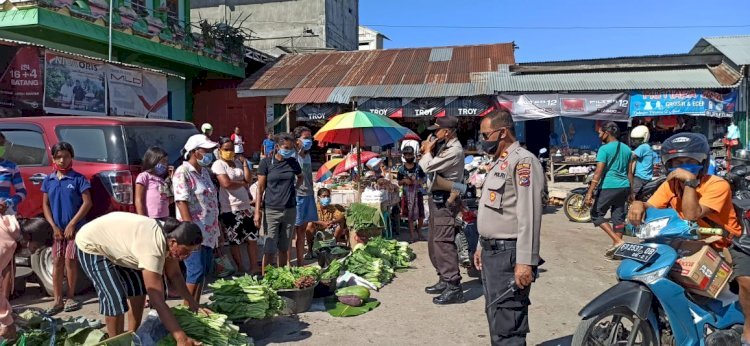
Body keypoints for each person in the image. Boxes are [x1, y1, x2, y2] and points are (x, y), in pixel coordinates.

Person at [626, 133, 748, 342]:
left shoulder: (717, 185)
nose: (682, 167)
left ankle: (748, 330)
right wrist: (639, 204)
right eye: (677, 162)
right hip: (688, 241)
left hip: (725, 244)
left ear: (702, 162)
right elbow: (652, 205)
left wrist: (690, 184)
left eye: (688, 161)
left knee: (746, 281)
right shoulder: (670, 185)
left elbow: (692, 214)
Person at [76, 213, 208, 344]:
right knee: (115, 298)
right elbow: (157, 300)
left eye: (192, 252)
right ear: (173, 243)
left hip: (123, 245)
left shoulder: (170, 236)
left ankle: (132, 336)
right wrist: (181, 337)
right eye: (186, 251)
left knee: (138, 290)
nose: (188, 255)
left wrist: (193, 303)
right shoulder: (152, 249)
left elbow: (175, 275)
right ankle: (115, 342)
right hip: (92, 244)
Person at [473, 110, 544, 345]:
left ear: (502, 132)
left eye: (486, 135)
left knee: (508, 322)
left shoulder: (523, 161)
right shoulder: (500, 161)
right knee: (495, 315)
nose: (483, 140)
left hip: (509, 255)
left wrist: (526, 261)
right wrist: (481, 245)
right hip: (493, 252)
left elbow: (529, 215)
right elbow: (495, 211)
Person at [419, 115, 465, 305]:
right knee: (434, 242)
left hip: (447, 199)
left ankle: (454, 286)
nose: (433, 134)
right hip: (437, 198)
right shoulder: (445, 146)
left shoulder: (454, 150)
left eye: (436, 130)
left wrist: (427, 151)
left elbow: (428, 167)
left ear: (447, 132)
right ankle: (443, 279)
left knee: (443, 243)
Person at [41, 142, 92, 315]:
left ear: (72, 157)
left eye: (66, 156)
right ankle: (57, 299)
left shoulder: (78, 179)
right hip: (57, 230)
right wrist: (54, 226)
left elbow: (87, 203)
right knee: (57, 261)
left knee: (70, 261)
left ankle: (70, 296)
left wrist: (72, 224)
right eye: (59, 157)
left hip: (75, 229)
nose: (62, 160)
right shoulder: (49, 180)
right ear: (53, 158)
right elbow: (45, 205)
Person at [172, 134, 220, 306]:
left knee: (203, 272)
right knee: (195, 270)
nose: (210, 154)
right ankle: (188, 310)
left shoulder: (205, 172)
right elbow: (181, 201)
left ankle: (195, 306)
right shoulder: (183, 172)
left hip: (208, 231)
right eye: (206, 150)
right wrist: (189, 231)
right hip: (194, 232)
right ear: (194, 152)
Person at [254, 133, 302, 274]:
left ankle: (281, 277)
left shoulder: (293, 162)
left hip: (289, 210)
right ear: (277, 147)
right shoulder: (266, 163)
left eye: (291, 148)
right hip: (271, 210)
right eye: (285, 147)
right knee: (269, 248)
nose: (288, 150)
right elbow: (260, 188)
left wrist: (294, 189)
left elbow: (301, 177)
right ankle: (266, 278)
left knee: (284, 248)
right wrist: (257, 211)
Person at [584, 122, 632, 259]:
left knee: (595, 214)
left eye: (600, 133)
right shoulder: (627, 149)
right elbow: (630, 172)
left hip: (609, 186)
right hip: (624, 186)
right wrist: (631, 192)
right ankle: (618, 252)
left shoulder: (604, 149)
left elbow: (598, 172)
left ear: (607, 133)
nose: (599, 135)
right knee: (618, 217)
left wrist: (589, 192)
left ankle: (618, 241)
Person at [212, 137, 259, 275]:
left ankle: (253, 266)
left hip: (245, 206)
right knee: (235, 240)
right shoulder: (219, 164)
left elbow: (249, 179)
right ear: (220, 150)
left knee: (252, 238)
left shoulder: (237, 162)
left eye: (231, 149)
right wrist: (243, 183)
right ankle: (241, 268)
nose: (229, 152)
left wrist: (245, 164)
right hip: (230, 208)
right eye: (226, 149)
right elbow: (226, 184)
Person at [0, 216, 51, 341]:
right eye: (36, 247)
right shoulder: (5, 245)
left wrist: (8, 312)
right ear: (28, 238)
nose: (34, 252)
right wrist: (6, 320)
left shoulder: (6, 226)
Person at [293, 126, 318, 263]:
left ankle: (301, 261)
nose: (309, 141)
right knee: (296, 230)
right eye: (306, 138)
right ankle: (297, 261)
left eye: (310, 138)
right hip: (297, 195)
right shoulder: (293, 156)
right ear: (297, 140)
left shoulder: (307, 156)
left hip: (308, 194)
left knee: (304, 228)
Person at [398, 146, 426, 242]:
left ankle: (419, 231)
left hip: (418, 194)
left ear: (413, 155)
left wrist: (418, 181)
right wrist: (404, 180)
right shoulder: (401, 169)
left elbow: (424, 178)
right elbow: (399, 182)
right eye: (407, 155)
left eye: (411, 154)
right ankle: (412, 235)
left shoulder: (418, 167)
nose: (409, 156)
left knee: (421, 215)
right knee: (410, 216)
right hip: (407, 195)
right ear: (404, 156)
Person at [135, 146, 172, 219]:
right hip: (150, 218)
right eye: (163, 161)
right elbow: (138, 199)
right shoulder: (144, 176)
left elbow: (169, 201)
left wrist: (172, 180)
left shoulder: (162, 180)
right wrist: (142, 219)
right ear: (153, 160)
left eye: (166, 162)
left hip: (164, 217)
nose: (165, 165)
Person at [306, 188, 347, 252]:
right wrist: (322, 223)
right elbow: (308, 217)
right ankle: (309, 250)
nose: (326, 198)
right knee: (309, 224)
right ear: (319, 197)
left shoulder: (331, 207)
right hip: (316, 229)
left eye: (328, 196)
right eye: (324, 196)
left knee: (341, 222)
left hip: (329, 229)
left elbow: (341, 216)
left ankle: (334, 245)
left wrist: (332, 221)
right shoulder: (314, 207)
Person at [629, 125, 655, 201]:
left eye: (638, 140)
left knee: (631, 194)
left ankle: (631, 208)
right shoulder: (647, 146)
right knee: (639, 197)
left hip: (640, 177)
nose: (635, 142)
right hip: (646, 177)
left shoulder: (643, 147)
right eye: (634, 140)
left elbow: (631, 157)